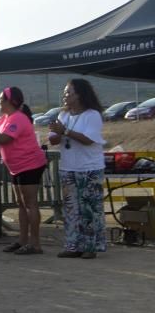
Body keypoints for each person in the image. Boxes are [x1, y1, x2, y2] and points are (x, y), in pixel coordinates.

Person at [0, 86, 47, 255]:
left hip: (30, 164)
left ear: (10, 101)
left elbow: (4, 139)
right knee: (21, 204)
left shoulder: (18, 118)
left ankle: (35, 244)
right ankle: (22, 241)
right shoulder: (4, 119)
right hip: (17, 167)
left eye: (1, 99)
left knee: (30, 204)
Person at [49, 79, 106, 258]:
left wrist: (65, 131)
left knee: (89, 208)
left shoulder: (92, 115)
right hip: (68, 168)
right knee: (71, 208)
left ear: (80, 95)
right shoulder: (63, 115)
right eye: (65, 93)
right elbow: (53, 139)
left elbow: (89, 139)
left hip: (89, 168)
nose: (65, 96)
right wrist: (56, 133)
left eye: (69, 93)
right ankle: (72, 245)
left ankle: (90, 247)